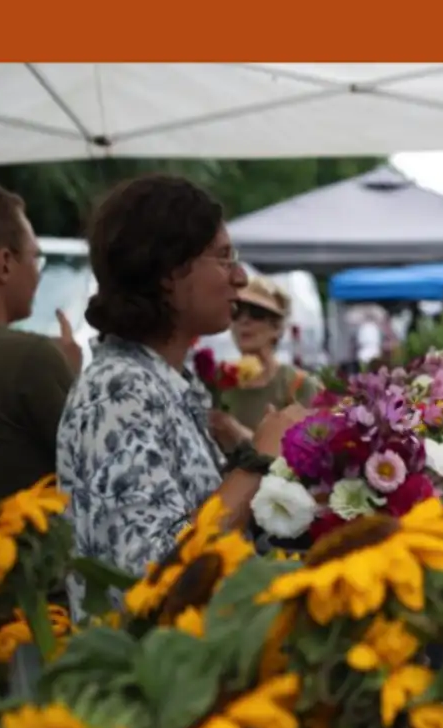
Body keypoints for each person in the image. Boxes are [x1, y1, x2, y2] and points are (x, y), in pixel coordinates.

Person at [56, 174, 308, 580]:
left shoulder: (163, 383)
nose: (240, 278)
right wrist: (256, 462)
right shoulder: (118, 391)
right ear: (169, 271)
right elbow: (150, 571)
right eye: (224, 258)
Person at [0, 181, 81, 515]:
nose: (37, 273)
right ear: (4, 263)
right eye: (35, 257)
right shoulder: (30, 359)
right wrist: (70, 374)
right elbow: (95, 475)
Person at [207, 276, 319, 444]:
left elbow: (308, 455)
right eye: (237, 312)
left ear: (277, 327)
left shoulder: (299, 385)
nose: (244, 321)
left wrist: (240, 434)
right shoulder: (217, 381)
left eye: (256, 314)